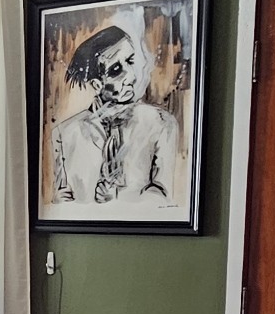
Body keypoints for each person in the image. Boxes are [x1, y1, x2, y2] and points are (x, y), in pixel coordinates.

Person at [50, 24, 179, 205]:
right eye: (116, 70)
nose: (131, 76)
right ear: (96, 85)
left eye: (131, 61)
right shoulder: (64, 135)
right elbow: (59, 201)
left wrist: (119, 202)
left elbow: (164, 197)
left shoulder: (161, 124)